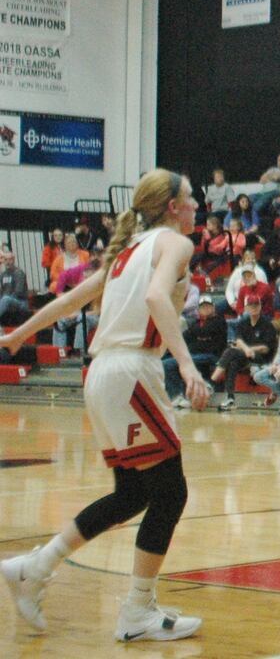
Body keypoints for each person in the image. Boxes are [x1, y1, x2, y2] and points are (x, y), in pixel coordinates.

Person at [0, 169, 207, 641]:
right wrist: (189, 367)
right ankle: (137, 610)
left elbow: (70, 300)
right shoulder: (174, 244)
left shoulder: (127, 251)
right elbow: (156, 297)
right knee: (170, 492)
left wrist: (17, 336)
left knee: (133, 494)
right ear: (173, 207)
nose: (197, 205)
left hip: (102, 375)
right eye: (191, 198)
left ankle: (36, 566)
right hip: (131, 370)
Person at [208, 295, 274, 411]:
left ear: (260, 306)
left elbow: (266, 348)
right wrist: (246, 349)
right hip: (245, 355)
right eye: (251, 305)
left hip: (263, 358)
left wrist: (251, 350)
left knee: (230, 352)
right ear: (246, 308)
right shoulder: (243, 322)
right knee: (232, 362)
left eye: (256, 305)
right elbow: (238, 340)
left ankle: (211, 382)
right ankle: (230, 398)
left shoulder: (266, 324)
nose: (254, 308)